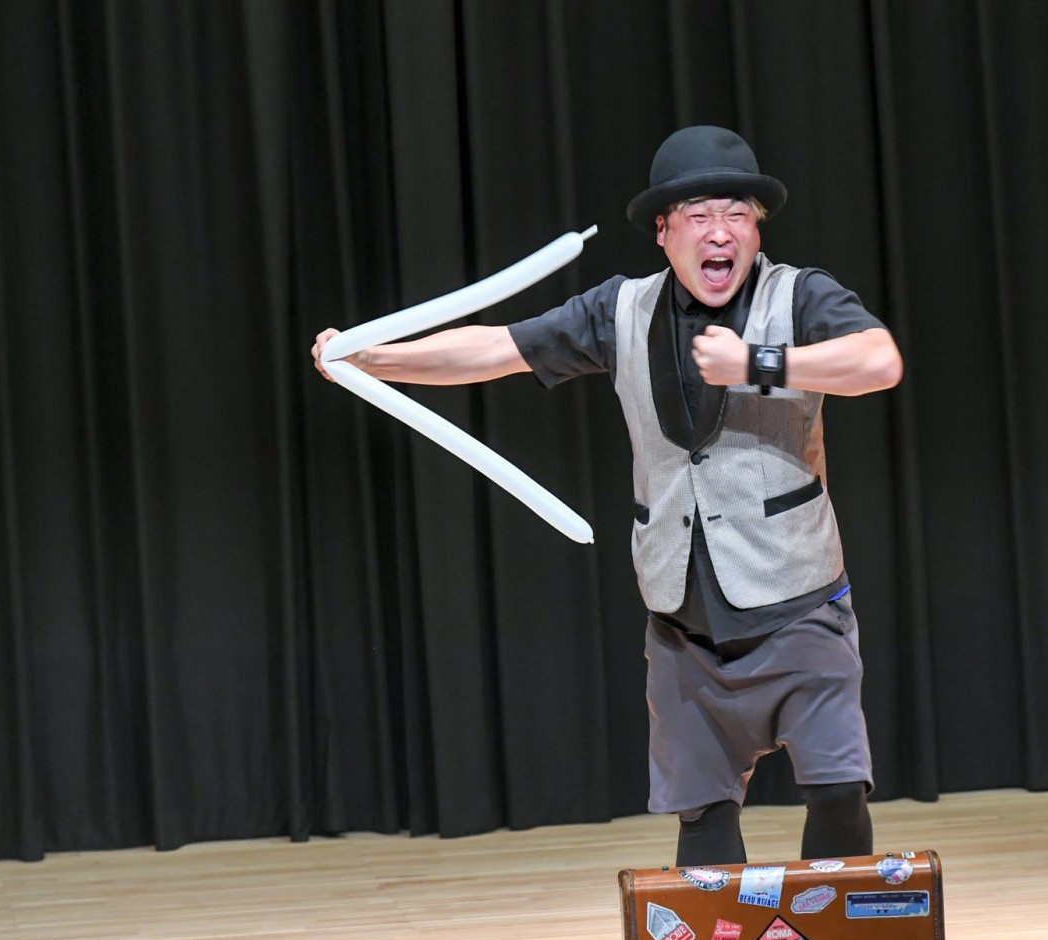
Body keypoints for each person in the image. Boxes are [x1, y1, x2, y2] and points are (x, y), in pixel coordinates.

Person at [312, 125, 902, 867]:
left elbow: (878, 361)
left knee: (838, 792)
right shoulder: (619, 309)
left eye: (737, 214)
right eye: (698, 216)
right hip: (685, 625)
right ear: (663, 233)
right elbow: (498, 347)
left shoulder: (798, 294)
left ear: (756, 230)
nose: (720, 232)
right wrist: (370, 359)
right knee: (703, 818)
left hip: (798, 607)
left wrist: (758, 362)